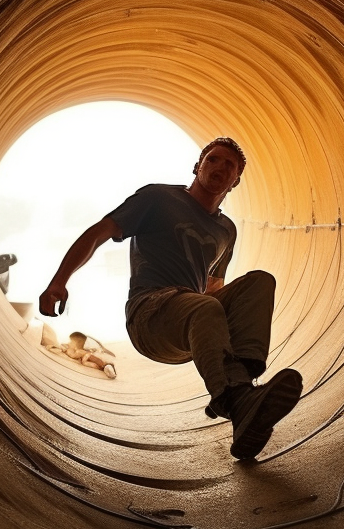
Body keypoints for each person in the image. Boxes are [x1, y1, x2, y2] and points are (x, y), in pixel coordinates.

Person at [39, 137, 302, 459]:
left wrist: (219, 338)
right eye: (213, 159)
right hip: (149, 316)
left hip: (190, 324)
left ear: (236, 182)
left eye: (229, 165)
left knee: (259, 282)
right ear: (198, 166)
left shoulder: (226, 231)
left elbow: (214, 288)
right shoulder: (158, 198)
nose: (220, 167)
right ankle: (238, 400)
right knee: (202, 305)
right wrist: (59, 281)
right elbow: (98, 233)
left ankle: (243, 396)